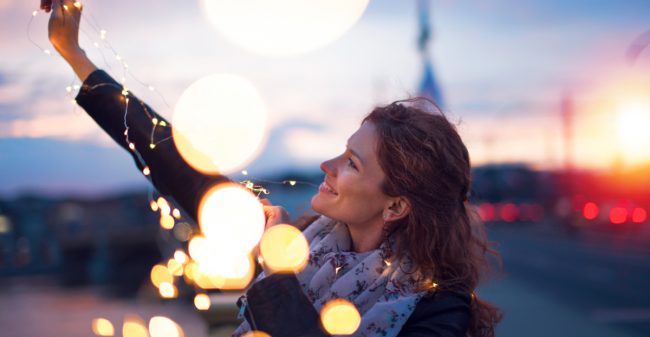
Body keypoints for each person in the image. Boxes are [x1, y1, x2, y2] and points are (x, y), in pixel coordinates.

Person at [44, 0, 503, 336]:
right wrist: (76, 57)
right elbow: (174, 162)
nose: (328, 164)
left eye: (352, 163)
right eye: (342, 150)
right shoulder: (303, 240)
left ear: (396, 205)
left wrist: (278, 272)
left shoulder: (439, 312)